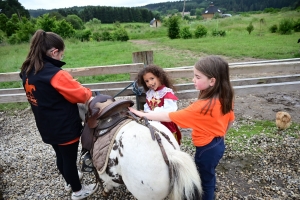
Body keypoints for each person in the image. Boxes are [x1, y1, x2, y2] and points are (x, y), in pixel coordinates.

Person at [129, 56, 235, 200]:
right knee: (209, 171)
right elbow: (230, 120)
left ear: (212, 81)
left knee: (204, 179)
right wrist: (222, 135)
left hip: (206, 148)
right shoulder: (226, 96)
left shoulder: (201, 107)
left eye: (197, 76)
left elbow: (170, 116)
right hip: (218, 144)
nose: (193, 79)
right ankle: (211, 184)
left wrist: (142, 114)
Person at [20, 30, 98, 200]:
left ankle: (69, 180)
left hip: (46, 124)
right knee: (69, 159)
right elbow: (81, 95)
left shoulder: (27, 69)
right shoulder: (55, 74)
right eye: (61, 54)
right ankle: (78, 191)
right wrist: (84, 89)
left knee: (60, 156)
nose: (60, 57)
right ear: (54, 52)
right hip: (64, 126)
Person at [136, 64, 182, 144]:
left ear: (159, 77)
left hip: (166, 125)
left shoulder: (166, 92)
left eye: (152, 78)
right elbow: (147, 107)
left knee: (168, 145)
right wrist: (146, 113)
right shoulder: (149, 93)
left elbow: (169, 111)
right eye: (147, 81)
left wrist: (150, 114)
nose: (150, 83)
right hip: (153, 124)